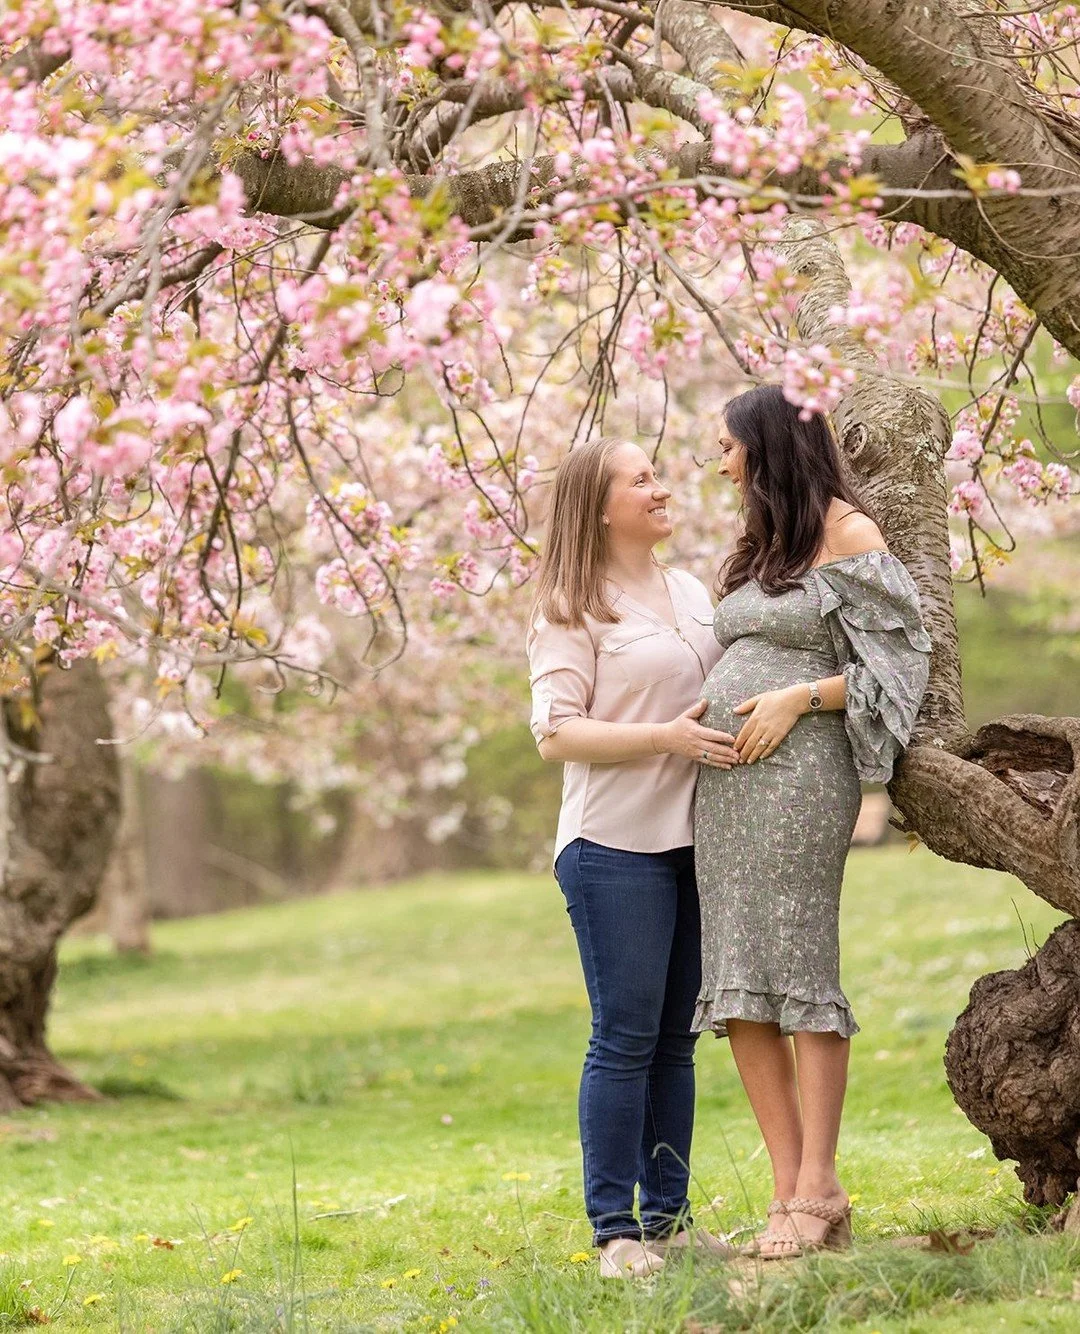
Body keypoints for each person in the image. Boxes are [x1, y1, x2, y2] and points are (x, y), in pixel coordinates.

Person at [694, 384, 931, 1259]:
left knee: (797, 963)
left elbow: (899, 665)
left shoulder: (847, 533)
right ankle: (788, 1190)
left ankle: (820, 1183)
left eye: (726, 445)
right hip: (724, 788)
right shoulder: (759, 545)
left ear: (767, 446)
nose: (718, 464)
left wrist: (800, 696)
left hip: (799, 781)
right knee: (739, 976)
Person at [526, 436, 738, 1278]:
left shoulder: (690, 589)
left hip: (695, 844)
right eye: (640, 478)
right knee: (623, 1038)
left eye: (656, 473)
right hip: (613, 848)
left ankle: (671, 1222)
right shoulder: (569, 606)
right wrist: (664, 737)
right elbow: (555, 733)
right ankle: (616, 1231)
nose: (660, 486)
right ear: (600, 505)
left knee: (676, 1042)